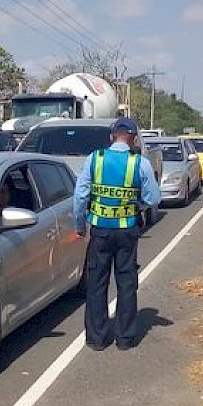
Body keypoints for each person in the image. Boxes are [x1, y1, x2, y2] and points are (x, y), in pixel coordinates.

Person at [73, 117, 160, 351]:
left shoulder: (95, 158)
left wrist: (80, 225)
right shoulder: (139, 163)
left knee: (97, 284)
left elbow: (80, 196)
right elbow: (153, 198)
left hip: (100, 230)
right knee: (126, 282)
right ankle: (125, 338)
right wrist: (135, 204)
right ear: (133, 139)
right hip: (127, 231)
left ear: (111, 137)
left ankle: (97, 338)